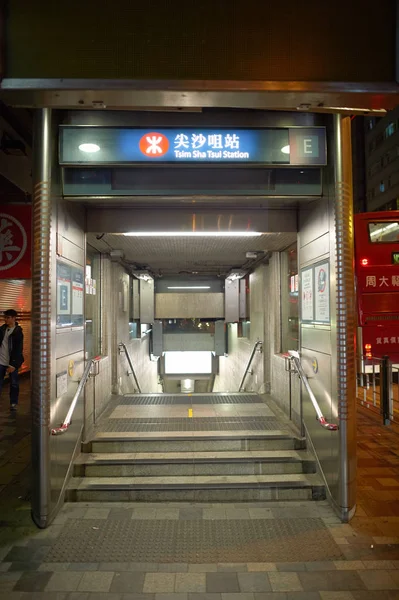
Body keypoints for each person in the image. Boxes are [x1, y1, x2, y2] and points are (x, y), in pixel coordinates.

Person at [0, 309, 24, 411]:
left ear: (14, 318)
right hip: (1, 361)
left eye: (8, 317)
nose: (6, 319)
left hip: (12, 363)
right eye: (5, 317)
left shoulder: (18, 332)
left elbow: (18, 350)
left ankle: (13, 402)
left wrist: (13, 364)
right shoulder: (1, 330)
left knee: (14, 383)